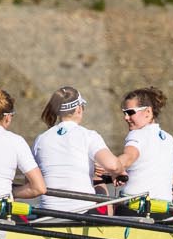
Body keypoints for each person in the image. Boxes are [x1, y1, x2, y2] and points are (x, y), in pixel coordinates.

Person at [31, 85, 121, 213]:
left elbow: (31, 181)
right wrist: (121, 172)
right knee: (100, 184)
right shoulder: (89, 136)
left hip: (48, 213)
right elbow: (113, 166)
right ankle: (107, 227)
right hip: (83, 214)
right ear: (79, 109)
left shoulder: (40, 139)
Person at [116, 86, 173, 208]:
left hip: (134, 210)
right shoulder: (169, 138)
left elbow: (128, 158)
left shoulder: (137, 134)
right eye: (124, 113)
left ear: (148, 112)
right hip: (164, 211)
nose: (126, 118)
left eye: (130, 112)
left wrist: (112, 168)